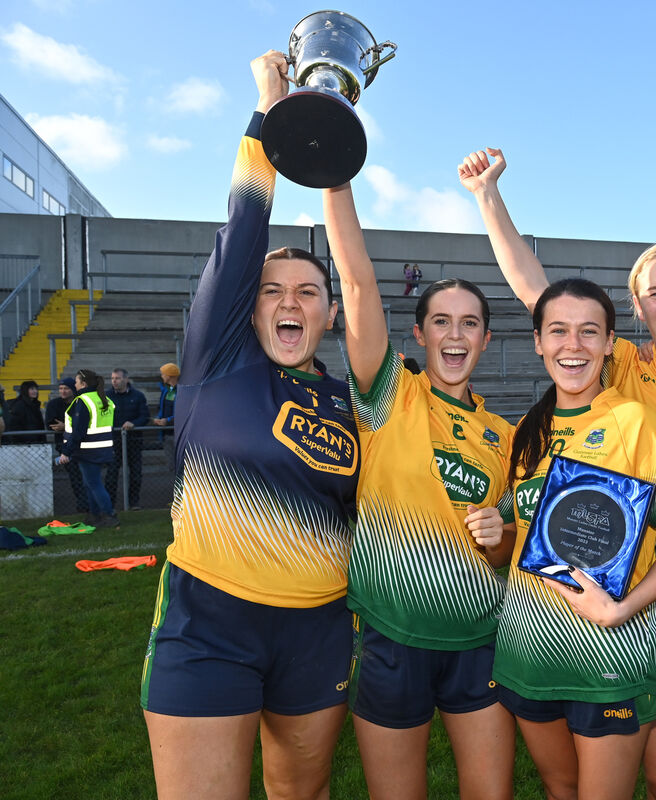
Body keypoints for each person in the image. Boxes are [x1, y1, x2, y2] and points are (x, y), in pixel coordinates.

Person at [459, 156, 656, 799]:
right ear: (637, 309)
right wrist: (487, 197)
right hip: (645, 578)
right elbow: (540, 296)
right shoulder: (625, 368)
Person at [139, 50, 360, 800]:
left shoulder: (348, 404)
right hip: (210, 622)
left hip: (319, 629)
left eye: (309, 290)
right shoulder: (216, 363)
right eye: (272, 290)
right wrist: (271, 106)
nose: (290, 300)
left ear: (329, 315)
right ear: (251, 304)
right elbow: (243, 226)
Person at [323, 181, 517, 800]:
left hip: (481, 645)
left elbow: (517, 550)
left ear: (486, 339)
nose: (455, 335)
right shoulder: (390, 396)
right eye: (441, 322)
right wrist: (337, 174)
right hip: (391, 639)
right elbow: (356, 284)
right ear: (418, 335)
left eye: (469, 324)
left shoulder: (507, 437)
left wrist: (501, 535)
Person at [492, 277, 656, 800]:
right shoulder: (526, 433)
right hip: (528, 656)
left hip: (610, 656)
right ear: (538, 341)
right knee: (561, 790)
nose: (573, 345)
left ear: (610, 342)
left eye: (589, 332)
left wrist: (620, 609)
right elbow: (519, 545)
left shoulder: (635, 422)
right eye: (558, 331)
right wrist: (500, 531)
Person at [56, 369, 118, 528]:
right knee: (90, 483)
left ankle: (108, 515)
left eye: (76, 382)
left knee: (93, 483)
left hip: (87, 450)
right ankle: (95, 515)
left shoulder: (82, 400)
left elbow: (78, 432)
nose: (75, 384)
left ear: (83, 383)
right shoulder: (104, 399)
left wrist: (66, 452)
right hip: (102, 448)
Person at [106, 367, 149, 510]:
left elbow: (145, 416)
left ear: (126, 379)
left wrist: (134, 423)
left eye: (117, 378)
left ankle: (133, 503)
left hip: (133, 441)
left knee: (136, 473)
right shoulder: (106, 397)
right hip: (114, 441)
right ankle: (110, 504)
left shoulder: (138, 396)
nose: (114, 381)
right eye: (112, 378)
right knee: (111, 474)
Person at [45, 378, 90, 514]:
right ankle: (83, 505)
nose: (63, 391)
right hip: (65, 446)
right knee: (75, 477)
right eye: (61, 388)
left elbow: (84, 422)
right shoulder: (54, 404)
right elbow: (51, 424)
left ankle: (88, 504)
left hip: (83, 445)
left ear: (73, 389)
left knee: (87, 476)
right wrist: (72, 426)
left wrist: (66, 426)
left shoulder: (81, 403)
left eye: (66, 388)